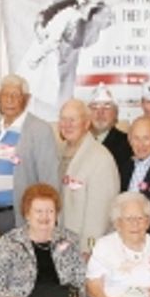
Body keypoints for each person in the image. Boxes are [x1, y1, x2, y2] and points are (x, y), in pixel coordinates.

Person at [0, 74, 60, 236]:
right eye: (5, 95)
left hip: (18, 218)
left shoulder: (39, 129)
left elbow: (49, 179)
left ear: (26, 99)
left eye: (15, 95)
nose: (9, 100)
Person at [0, 183, 85, 297]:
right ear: (27, 214)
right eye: (39, 211)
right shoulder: (11, 242)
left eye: (50, 211)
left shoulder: (70, 240)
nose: (45, 216)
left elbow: (80, 282)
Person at [86, 192, 150, 297]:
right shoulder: (104, 246)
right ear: (117, 222)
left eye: (140, 218)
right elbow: (92, 285)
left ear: (148, 222)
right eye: (128, 219)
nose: (135, 224)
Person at [57, 98, 120, 252]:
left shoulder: (100, 158)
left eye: (73, 120)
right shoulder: (59, 151)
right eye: (63, 119)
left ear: (86, 124)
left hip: (86, 249)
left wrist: (89, 249)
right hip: (64, 243)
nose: (67, 125)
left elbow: (100, 215)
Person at [88, 86, 133, 170]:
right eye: (95, 107)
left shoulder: (128, 144)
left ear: (116, 114)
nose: (100, 113)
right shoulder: (79, 141)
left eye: (106, 108)